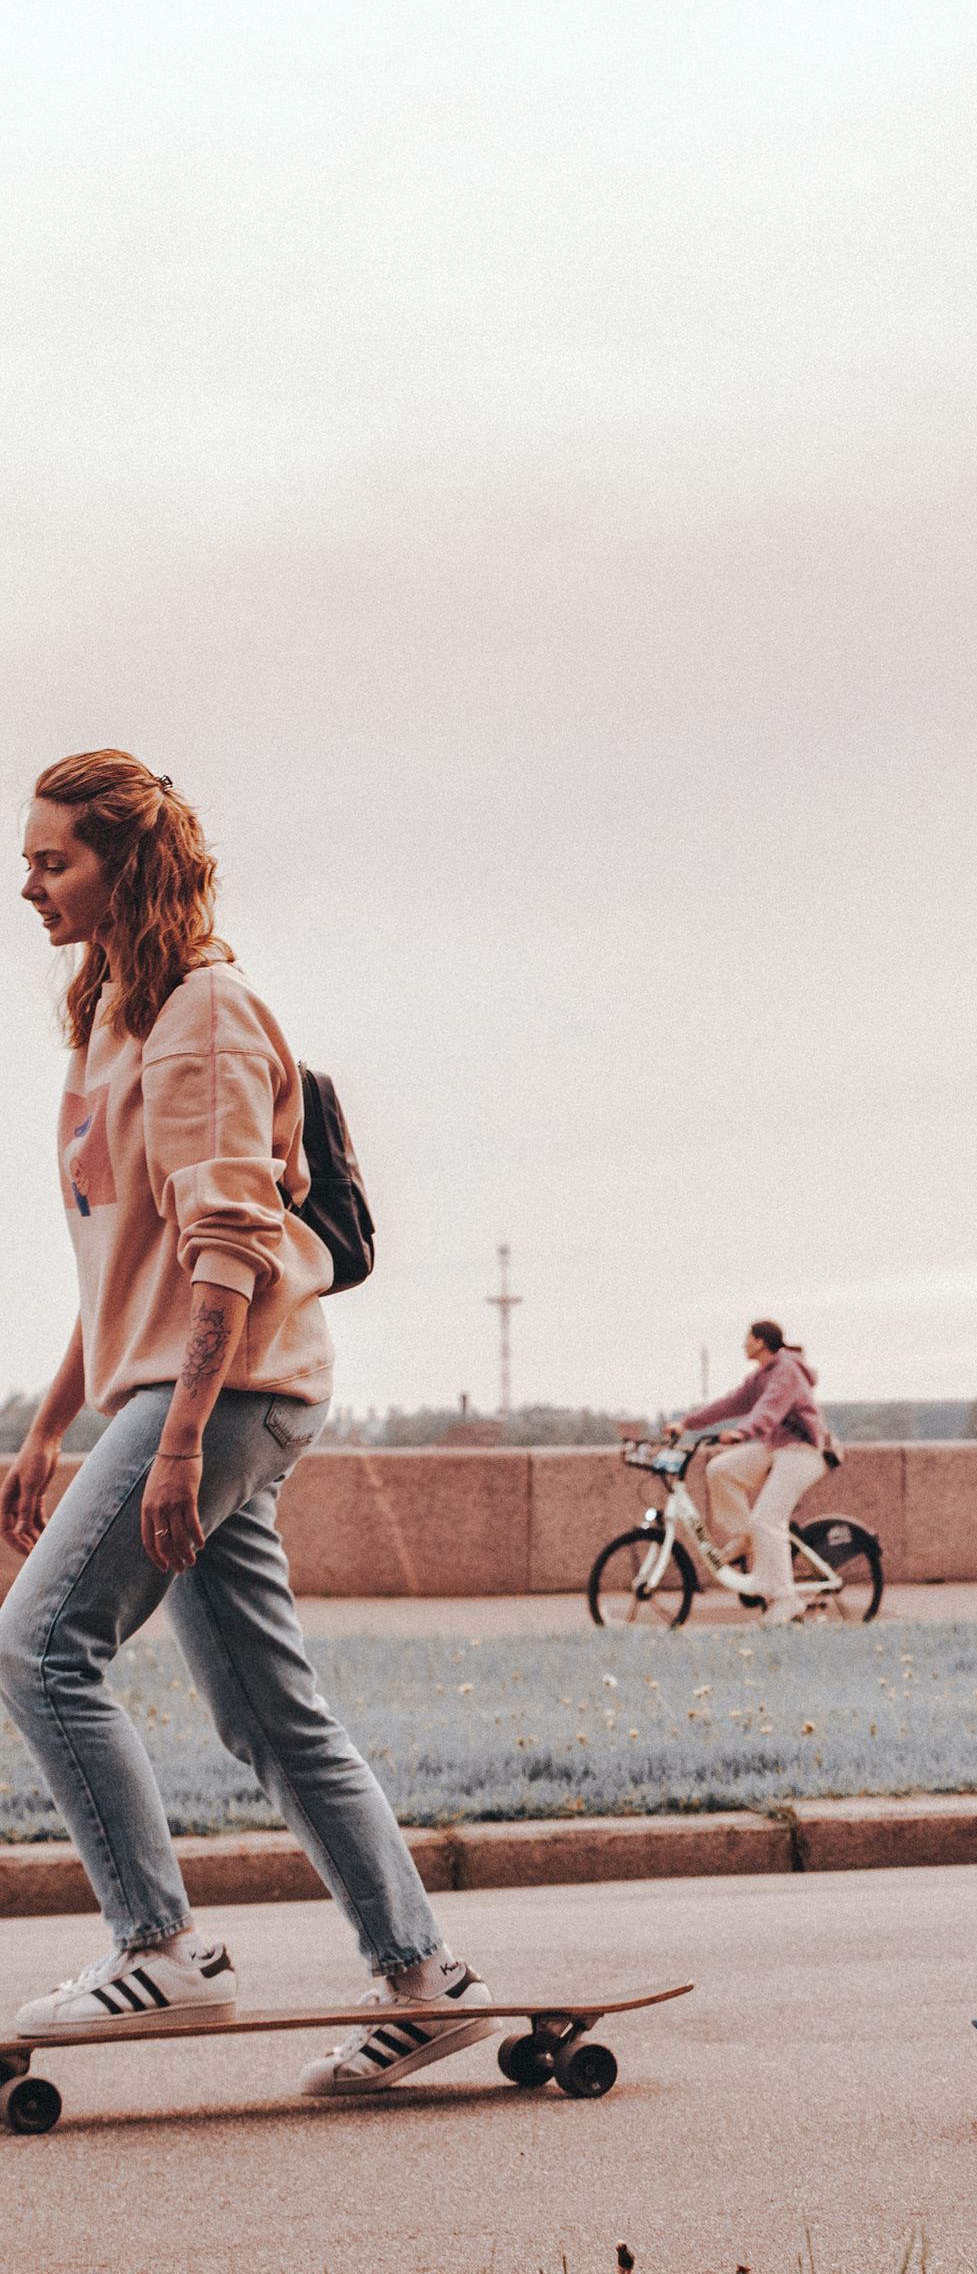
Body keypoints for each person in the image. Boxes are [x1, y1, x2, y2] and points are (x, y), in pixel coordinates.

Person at [2, 751, 496, 2095]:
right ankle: (426, 1979)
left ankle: (159, 1951)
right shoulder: (111, 1019)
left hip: (227, 1392)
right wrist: (48, 1428)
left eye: (54, 860)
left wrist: (174, 1443)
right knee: (271, 1714)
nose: (27, 882)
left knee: (41, 1643)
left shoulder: (205, 1013)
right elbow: (126, 1268)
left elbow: (223, 1245)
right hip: (172, 1387)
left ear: (126, 866)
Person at [673, 1322, 832, 1624]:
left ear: (760, 1342)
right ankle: (744, 1537)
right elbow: (729, 1403)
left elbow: (768, 1409)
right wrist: (687, 1423)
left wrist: (743, 1432)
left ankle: (786, 1600)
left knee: (767, 1518)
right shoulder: (762, 1375)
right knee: (720, 1469)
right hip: (776, 1448)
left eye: (747, 1340)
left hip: (803, 1451)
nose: (743, 1345)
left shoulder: (786, 1370)